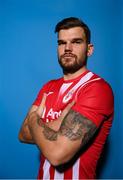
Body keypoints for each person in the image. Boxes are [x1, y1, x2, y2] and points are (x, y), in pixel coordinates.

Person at [18, 17, 114, 179]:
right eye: (62, 43)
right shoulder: (48, 87)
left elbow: (57, 155)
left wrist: (34, 118)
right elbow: (23, 134)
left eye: (76, 42)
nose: (67, 48)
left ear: (89, 49)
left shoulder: (97, 89)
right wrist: (59, 123)